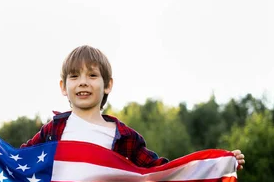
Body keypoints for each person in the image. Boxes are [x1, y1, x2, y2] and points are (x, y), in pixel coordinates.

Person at [20, 45, 245, 169]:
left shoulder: (125, 138)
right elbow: (16, 160)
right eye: (74, 76)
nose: (83, 82)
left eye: (92, 75)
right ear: (63, 86)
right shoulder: (54, 131)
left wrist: (217, 165)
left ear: (108, 85)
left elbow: (163, 172)